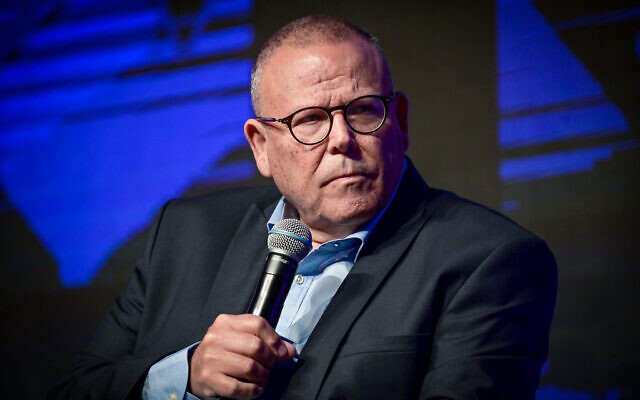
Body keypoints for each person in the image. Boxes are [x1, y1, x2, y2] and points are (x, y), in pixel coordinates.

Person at [49, 15, 557, 400]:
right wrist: (183, 374)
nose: (342, 140)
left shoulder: (491, 259)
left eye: (362, 110)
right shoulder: (183, 235)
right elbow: (76, 389)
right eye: (309, 120)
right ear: (260, 146)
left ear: (399, 120)